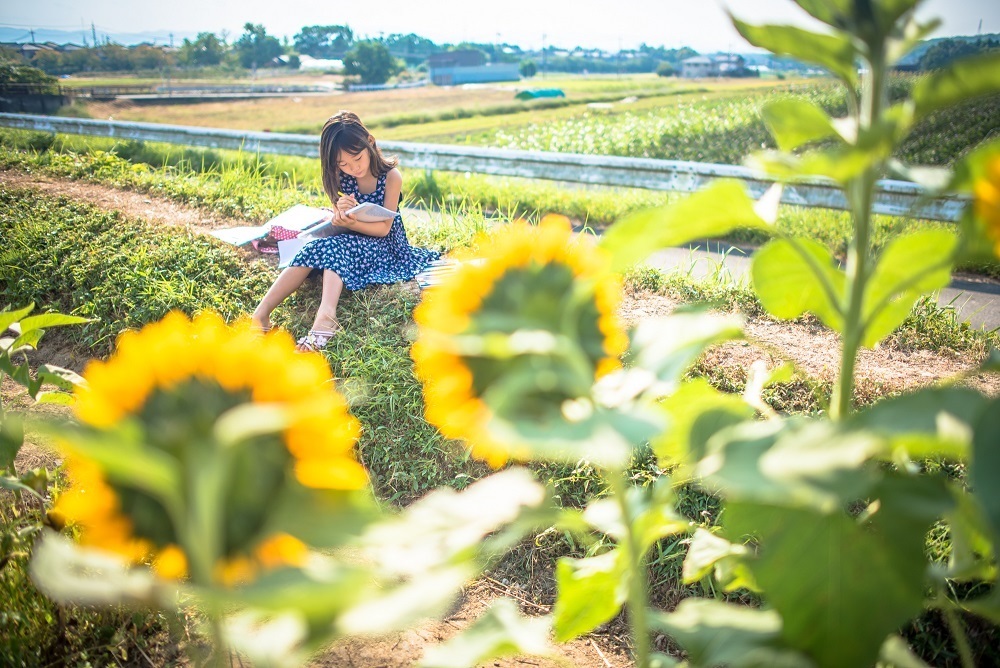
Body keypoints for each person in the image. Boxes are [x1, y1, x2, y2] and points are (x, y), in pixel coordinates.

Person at [251, 110, 440, 352]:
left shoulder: (391, 177)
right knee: (314, 246)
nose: (353, 168)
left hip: (387, 247)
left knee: (337, 247)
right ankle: (261, 314)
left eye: (357, 159)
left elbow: (384, 229)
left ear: (370, 142)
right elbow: (339, 221)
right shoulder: (342, 177)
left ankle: (326, 318)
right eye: (344, 164)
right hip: (351, 240)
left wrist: (351, 224)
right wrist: (340, 213)